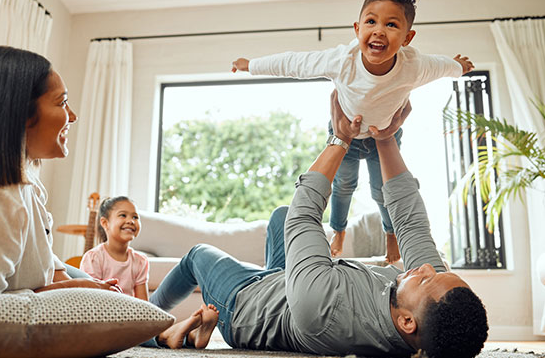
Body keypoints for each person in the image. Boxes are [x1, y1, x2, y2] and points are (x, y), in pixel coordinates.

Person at [149, 90, 488, 357]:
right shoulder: (421, 306)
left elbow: (304, 215)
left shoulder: (324, 312)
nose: (427, 268)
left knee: (198, 255)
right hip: (288, 285)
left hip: (245, 306)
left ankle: (146, 325)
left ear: (406, 322)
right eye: (439, 271)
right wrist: (385, 139)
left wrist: (340, 139)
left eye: (427, 278)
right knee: (279, 216)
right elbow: (412, 223)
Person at [0, 45, 217, 349]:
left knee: (100, 289)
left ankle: (164, 333)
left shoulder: (23, 183)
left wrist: (76, 284)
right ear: (19, 113)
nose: (72, 116)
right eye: (62, 102)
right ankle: (164, 334)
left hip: (52, 269)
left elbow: (43, 262)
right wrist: (72, 292)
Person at [231, 0, 474, 264]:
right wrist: (252, 65)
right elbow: (294, 63)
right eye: (371, 21)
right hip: (345, 134)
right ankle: (339, 230)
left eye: (392, 25)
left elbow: (443, 66)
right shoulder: (341, 61)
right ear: (357, 29)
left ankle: (391, 234)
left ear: (408, 38)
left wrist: (459, 67)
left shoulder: (414, 66)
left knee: (382, 191)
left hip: (385, 136)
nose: (379, 30)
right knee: (344, 185)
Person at [80, 196, 150, 300]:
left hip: (130, 313)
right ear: (105, 223)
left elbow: (144, 304)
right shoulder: (93, 258)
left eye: (135, 217)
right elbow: (90, 299)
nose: (130, 221)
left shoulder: (140, 261)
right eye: (123, 215)